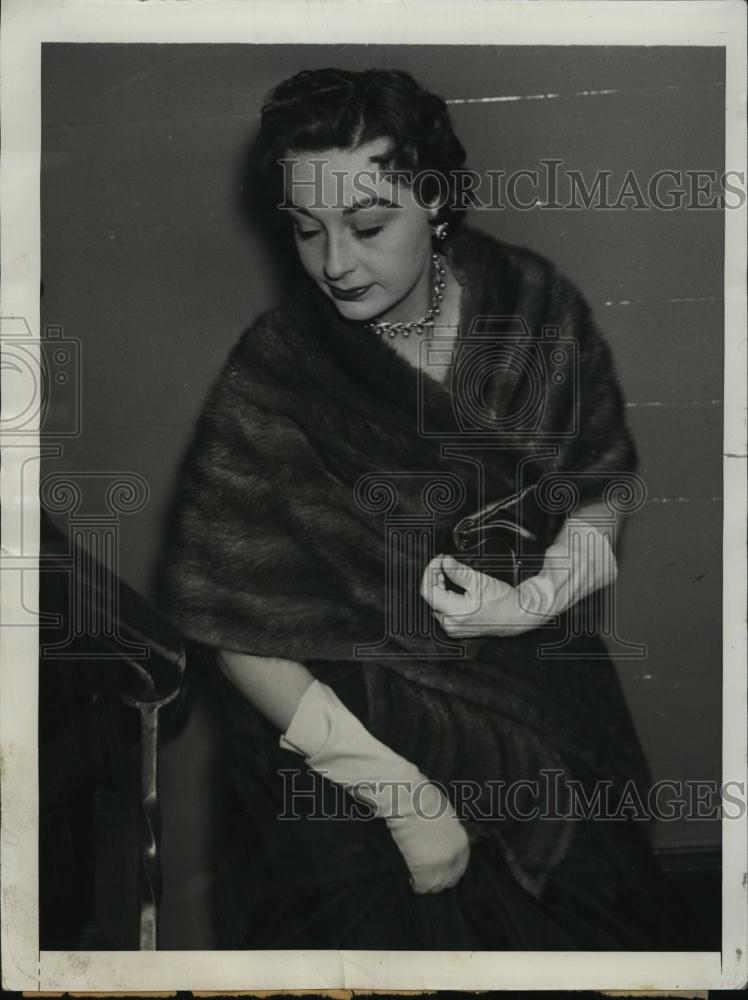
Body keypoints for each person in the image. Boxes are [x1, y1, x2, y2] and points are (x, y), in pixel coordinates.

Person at [159, 67, 685, 950]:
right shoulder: (276, 372)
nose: (334, 263)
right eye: (305, 229)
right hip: (338, 732)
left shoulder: (530, 308)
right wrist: (402, 795)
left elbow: (599, 491)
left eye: (368, 226)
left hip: (530, 693)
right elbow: (233, 626)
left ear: (437, 205)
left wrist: (533, 600)